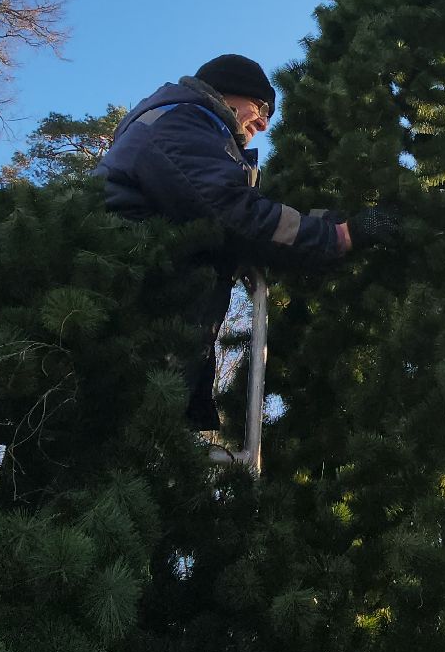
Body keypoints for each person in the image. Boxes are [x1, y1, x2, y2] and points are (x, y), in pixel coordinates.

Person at [94, 54, 393, 429]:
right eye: (262, 107)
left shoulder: (175, 125)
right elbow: (236, 214)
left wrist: (327, 221)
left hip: (137, 326)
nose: (265, 124)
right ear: (226, 93)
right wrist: (340, 236)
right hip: (133, 334)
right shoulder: (183, 122)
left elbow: (233, 212)